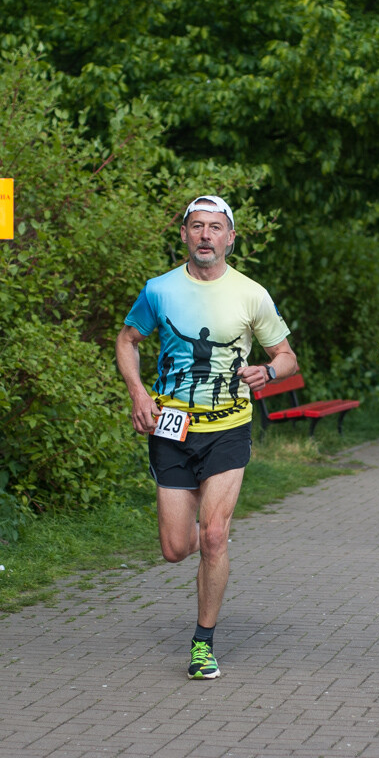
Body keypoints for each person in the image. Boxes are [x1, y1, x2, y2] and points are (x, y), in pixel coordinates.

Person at [115, 195, 298, 680]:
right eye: (197, 227)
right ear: (183, 234)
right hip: (171, 428)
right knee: (176, 548)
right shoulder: (159, 290)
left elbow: (286, 356)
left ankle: (203, 643)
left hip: (228, 429)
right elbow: (127, 339)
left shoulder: (251, 294)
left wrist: (268, 370)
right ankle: (210, 544)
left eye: (215, 228)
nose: (205, 236)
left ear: (230, 238)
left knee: (214, 535)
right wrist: (137, 392)